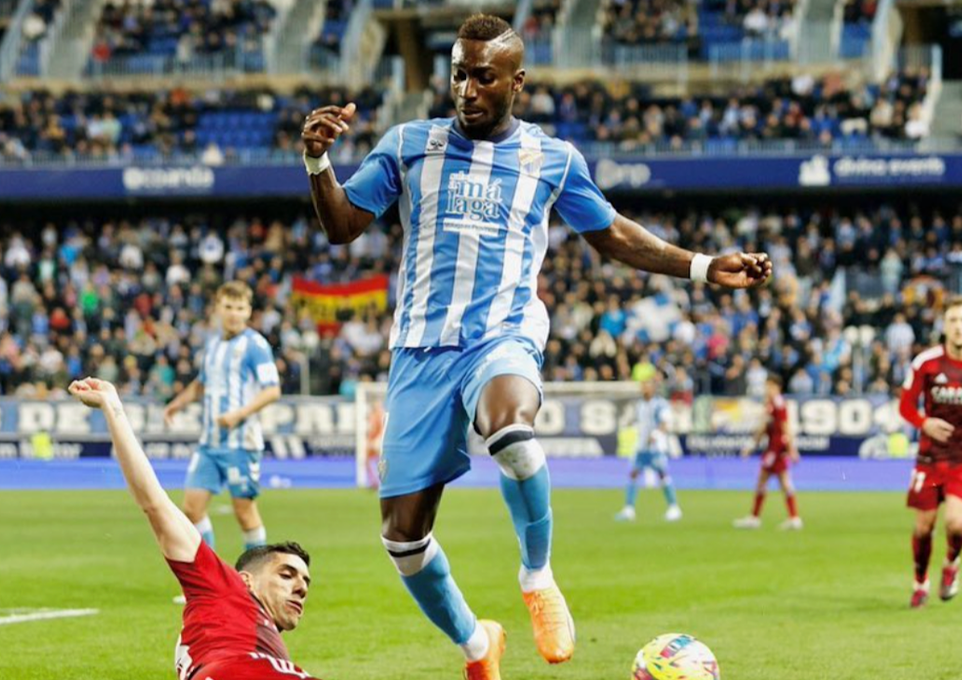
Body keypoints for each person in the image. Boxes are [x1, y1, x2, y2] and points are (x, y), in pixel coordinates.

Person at [300, 13, 771, 677]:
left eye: (482, 77)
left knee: (513, 433)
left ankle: (537, 576)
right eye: (458, 75)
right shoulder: (409, 144)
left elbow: (611, 234)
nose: (466, 90)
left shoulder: (552, 159)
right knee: (403, 539)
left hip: (503, 333)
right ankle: (476, 645)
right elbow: (343, 224)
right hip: (420, 352)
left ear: (516, 82)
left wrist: (701, 266)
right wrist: (318, 161)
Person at [68, 377, 318, 680]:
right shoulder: (223, 587)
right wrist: (112, 406)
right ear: (245, 581)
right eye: (287, 574)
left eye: (305, 582)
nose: (301, 588)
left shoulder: (257, 640)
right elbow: (155, 503)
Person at [163, 281, 281, 601]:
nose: (234, 314)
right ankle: (211, 582)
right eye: (228, 307)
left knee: (244, 512)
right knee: (191, 508)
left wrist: (239, 414)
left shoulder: (255, 346)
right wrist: (177, 403)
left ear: (249, 311)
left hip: (241, 443)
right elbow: (201, 384)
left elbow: (272, 390)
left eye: (240, 308)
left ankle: (257, 585)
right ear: (217, 309)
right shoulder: (213, 345)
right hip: (210, 443)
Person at [898, 295, 962, 608]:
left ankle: (951, 564)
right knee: (923, 526)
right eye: (952, 320)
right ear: (944, 326)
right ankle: (920, 583)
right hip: (930, 458)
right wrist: (924, 422)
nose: (958, 326)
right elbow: (905, 405)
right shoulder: (925, 363)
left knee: (956, 523)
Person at [734, 373, 802, 530]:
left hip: (776, 448)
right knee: (780, 482)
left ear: (777, 387)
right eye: (766, 386)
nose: (767, 389)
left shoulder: (777, 403)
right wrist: (752, 444)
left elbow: (784, 426)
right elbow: (765, 427)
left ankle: (756, 517)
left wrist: (792, 449)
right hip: (774, 447)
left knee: (767, 479)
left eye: (770, 386)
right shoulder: (771, 403)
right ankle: (792, 517)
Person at [615, 378, 681, 522]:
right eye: (642, 386)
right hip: (641, 447)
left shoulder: (660, 404)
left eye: (647, 386)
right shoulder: (639, 404)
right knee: (633, 474)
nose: (644, 389)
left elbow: (665, 423)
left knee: (662, 474)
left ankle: (674, 507)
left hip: (656, 447)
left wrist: (655, 434)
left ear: (653, 388)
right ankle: (629, 509)